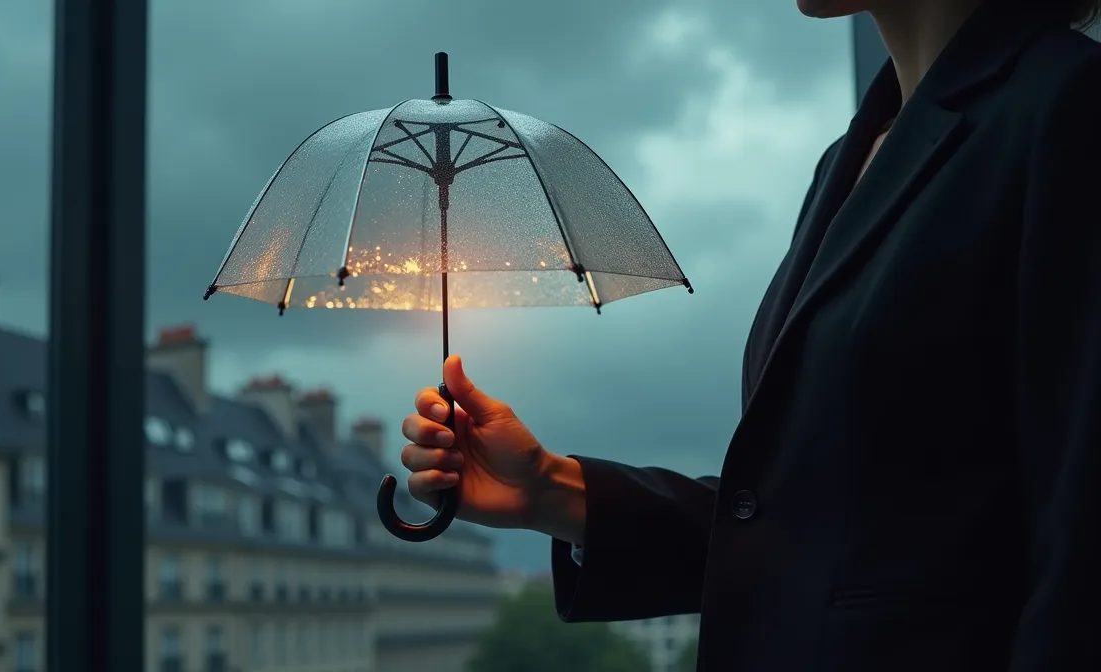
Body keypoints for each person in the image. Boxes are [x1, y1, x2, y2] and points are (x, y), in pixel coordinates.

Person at [398, 0, 1101, 670]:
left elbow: (1080, 561)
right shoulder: (849, 159)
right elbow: (806, 528)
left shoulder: (1071, 111)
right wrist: (553, 490)